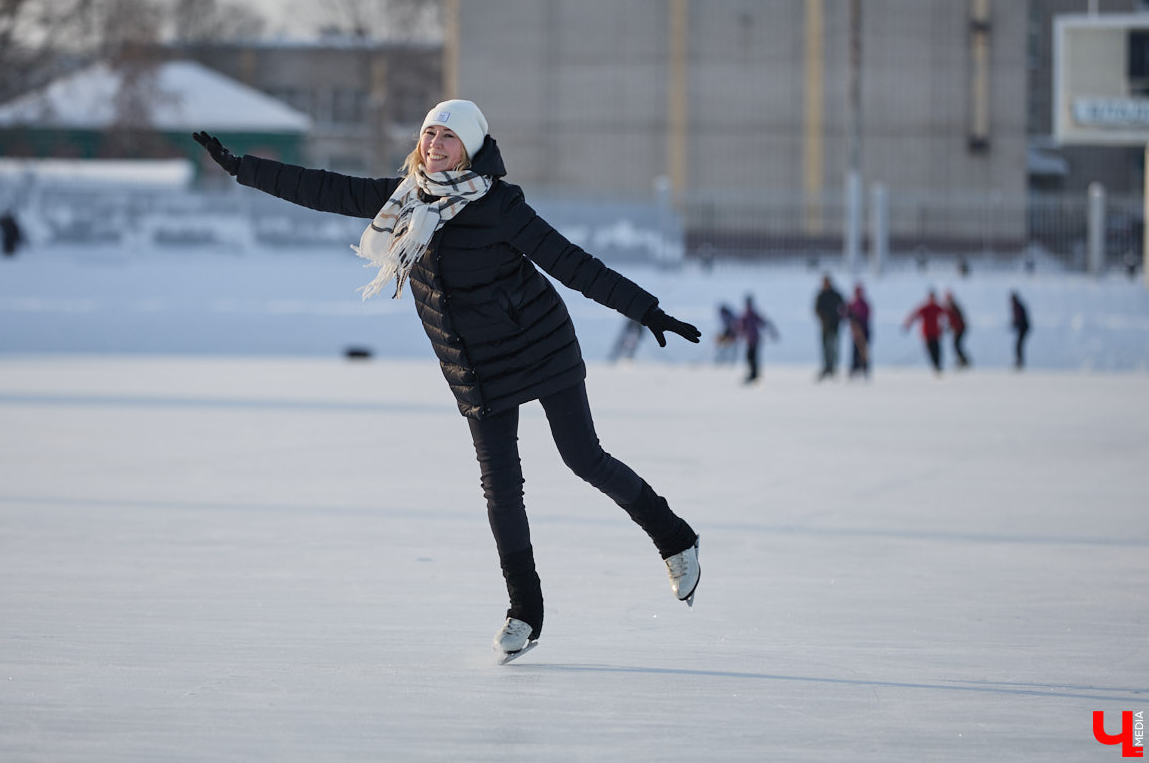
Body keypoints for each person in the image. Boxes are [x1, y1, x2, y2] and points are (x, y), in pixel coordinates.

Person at [193, 100, 702, 659]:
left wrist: (647, 310)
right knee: (500, 488)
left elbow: (572, 263)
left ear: (471, 148)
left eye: (448, 137)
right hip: (475, 364)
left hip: (540, 346)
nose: (435, 145)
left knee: (584, 458)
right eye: (429, 134)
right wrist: (243, 168)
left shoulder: (500, 205)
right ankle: (525, 610)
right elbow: (323, 188)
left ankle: (675, 539)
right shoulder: (403, 199)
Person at [903, 290, 947, 374]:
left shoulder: (937, 307)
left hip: (936, 333)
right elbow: (914, 315)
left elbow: (946, 314)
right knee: (931, 351)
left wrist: (947, 326)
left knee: (937, 350)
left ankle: (938, 365)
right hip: (927, 334)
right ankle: (935, 366)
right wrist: (908, 324)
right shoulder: (925, 308)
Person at [738, 294, 778, 383]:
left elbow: (742, 327)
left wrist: (740, 333)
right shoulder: (751, 314)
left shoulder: (748, 314)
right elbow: (763, 323)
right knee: (751, 357)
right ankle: (754, 374)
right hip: (752, 339)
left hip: (753, 340)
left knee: (751, 357)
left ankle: (754, 374)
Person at [813, 274, 844, 380]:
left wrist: (839, 318)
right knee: (825, 348)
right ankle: (827, 367)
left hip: (835, 326)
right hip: (825, 326)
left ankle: (833, 368)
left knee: (834, 348)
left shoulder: (836, 295)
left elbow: (843, 308)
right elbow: (817, 310)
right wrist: (824, 318)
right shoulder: (821, 295)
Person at [845, 283, 871, 378]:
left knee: (863, 352)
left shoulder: (864, 304)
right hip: (855, 332)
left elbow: (866, 316)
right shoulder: (852, 304)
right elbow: (846, 314)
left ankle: (864, 368)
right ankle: (855, 368)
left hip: (863, 331)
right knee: (855, 351)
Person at [943, 290, 969, 368]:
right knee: (956, 345)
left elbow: (955, 319)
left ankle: (963, 360)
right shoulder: (952, 307)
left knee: (956, 345)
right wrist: (949, 327)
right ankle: (962, 360)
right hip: (958, 328)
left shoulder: (953, 307)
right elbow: (952, 320)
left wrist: (950, 327)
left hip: (960, 328)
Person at [1010, 290, 1031, 370]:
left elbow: (1020, 318)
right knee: (1018, 345)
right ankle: (1019, 361)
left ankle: (1020, 362)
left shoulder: (1018, 306)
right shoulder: (1017, 306)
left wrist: (1016, 324)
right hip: (1022, 328)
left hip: (1023, 328)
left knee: (1019, 345)